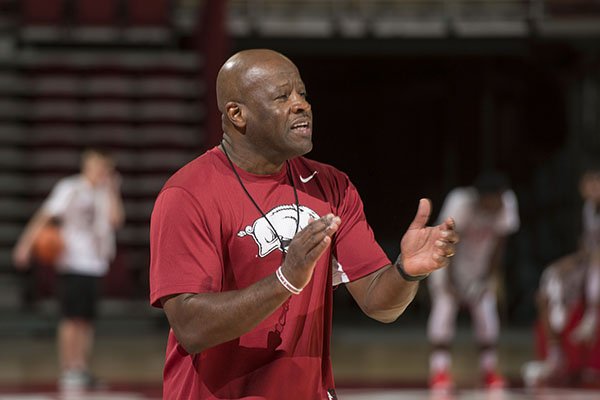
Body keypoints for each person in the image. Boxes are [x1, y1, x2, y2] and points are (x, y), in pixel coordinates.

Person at [149, 48, 459, 400]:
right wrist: (285, 280)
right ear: (237, 114)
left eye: (303, 94)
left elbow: (378, 303)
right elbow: (191, 327)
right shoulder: (188, 194)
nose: (302, 105)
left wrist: (406, 271)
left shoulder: (332, 186)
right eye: (283, 96)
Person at [13, 148, 125, 390]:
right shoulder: (70, 188)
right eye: (96, 165)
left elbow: (116, 220)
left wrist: (113, 190)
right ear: (87, 165)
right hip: (73, 261)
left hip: (96, 263)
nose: (99, 170)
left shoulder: (104, 192)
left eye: (104, 166)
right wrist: (25, 245)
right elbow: (44, 215)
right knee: (70, 318)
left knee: (86, 319)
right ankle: (68, 368)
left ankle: (81, 368)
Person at [427, 171, 520, 390]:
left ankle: (489, 370)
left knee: (487, 319)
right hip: (446, 263)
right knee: (444, 314)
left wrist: (488, 276)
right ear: (481, 197)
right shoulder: (459, 202)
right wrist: (449, 279)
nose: (497, 204)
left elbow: (500, 243)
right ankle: (439, 371)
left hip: (479, 269)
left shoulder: (507, 201)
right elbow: (446, 241)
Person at [522, 168, 600, 387]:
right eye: (589, 183)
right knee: (550, 277)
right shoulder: (588, 209)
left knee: (595, 273)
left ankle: (592, 317)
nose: (593, 187)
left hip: (596, 267)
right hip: (589, 262)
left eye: (597, 183)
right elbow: (587, 248)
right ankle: (555, 353)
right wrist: (570, 261)